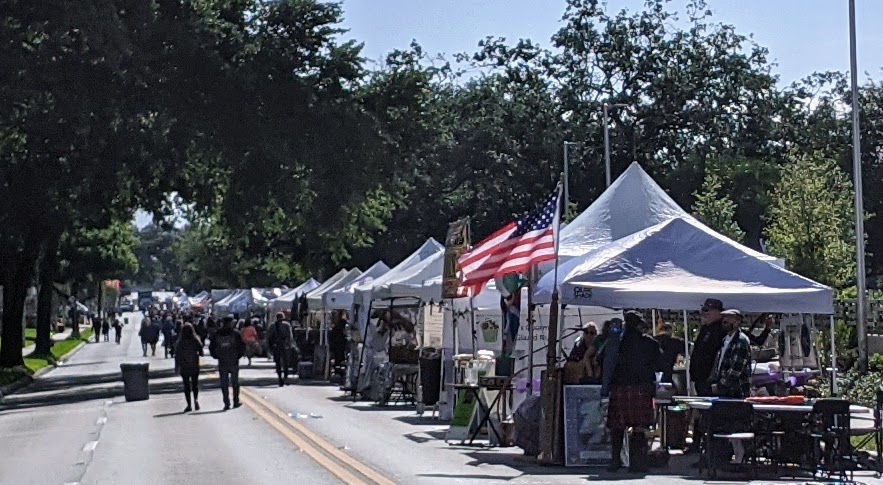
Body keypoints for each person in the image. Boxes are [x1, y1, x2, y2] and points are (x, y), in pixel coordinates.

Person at [606, 311, 663, 473]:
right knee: (639, 426)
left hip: (620, 386)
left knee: (617, 426)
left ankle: (615, 461)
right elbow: (659, 364)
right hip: (642, 387)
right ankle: (637, 463)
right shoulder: (650, 343)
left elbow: (603, 359)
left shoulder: (616, 342)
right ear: (639, 325)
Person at [689, 298, 727, 396]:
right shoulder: (706, 328)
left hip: (711, 380)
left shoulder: (722, 329)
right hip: (700, 379)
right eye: (703, 310)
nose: (703, 313)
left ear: (718, 312)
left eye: (707, 310)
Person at [712, 310, 752, 398]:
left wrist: (721, 386)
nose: (725, 321)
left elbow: (736, 369)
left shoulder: (741, 340)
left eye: (729, 318)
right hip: (726, 390)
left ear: (737, 322)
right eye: (724, 318)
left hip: (737, 391)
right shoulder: (725, 339)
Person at [210, 316, 245, 410]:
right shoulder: (235, 333)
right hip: (233, 360)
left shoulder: (217, 333)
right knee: (235, 382)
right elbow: (242, 346)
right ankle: (236, 401)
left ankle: (226, 402)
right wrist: (238, 356)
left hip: (222, 361)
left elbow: (212, 347)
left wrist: (217, 356)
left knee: (224, 383)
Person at [175, 323, 204, 412]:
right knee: (195, 384)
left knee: (186, 386)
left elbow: (177, 355)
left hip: (184, 366)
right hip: (194, 364)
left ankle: (189, 404)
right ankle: (196, 400)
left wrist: (177, 367)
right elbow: (201, 352)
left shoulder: (180, 342)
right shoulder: (195, 339)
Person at [266, 312, 294, 387]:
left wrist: (269, 347)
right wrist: (289, 345)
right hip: (284, 345)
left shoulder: (273, 325)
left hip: (277, 346)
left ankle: (280, 377)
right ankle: (285, 377)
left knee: (278, 363)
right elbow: (290, 336)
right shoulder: (286, 325)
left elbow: (269, 337)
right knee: (285, 363)